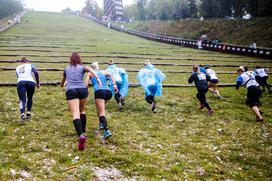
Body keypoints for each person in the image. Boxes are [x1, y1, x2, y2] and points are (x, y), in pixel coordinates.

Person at [61, 52, 101, 151]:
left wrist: (62, 85)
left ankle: (81, 135)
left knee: (75, 113)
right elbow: (90, 69)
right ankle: (83, 131)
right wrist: (98, 78)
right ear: (79, 59)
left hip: (71, 90)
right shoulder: (82, 67)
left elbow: (63, 81)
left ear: (71, 59)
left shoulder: (66, 68)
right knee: (82, 110)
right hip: (82, 89)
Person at [85, 62, 118, 141]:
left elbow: (85, 84)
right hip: (108, 92)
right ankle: (101, 124)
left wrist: (86, 91)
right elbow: (111, 75)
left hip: (99, 91)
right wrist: (114, 84)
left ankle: (107, 131)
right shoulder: (103, 72)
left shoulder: (89, 73)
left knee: (101, 112)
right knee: (100, 108)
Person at [16, 57, 40, 125]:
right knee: (30, 98)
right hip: (30, 82)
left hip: (21, 82)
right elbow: (35, 72)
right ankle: (28, 113)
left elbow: (18, 77)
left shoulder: (17, 68)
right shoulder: (31, 65)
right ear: (27, 61)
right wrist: (38, 83)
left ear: (21, 62)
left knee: (22, 100)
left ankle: (22, 114)